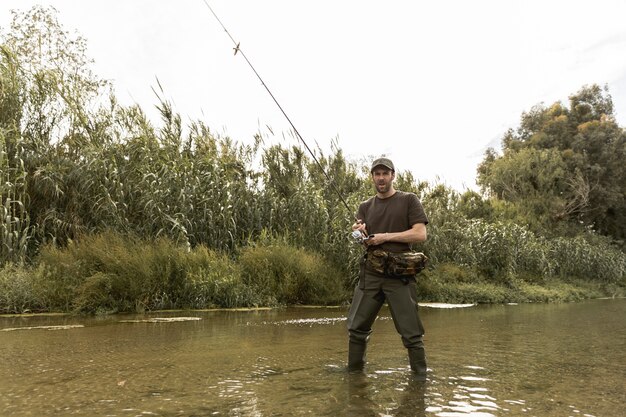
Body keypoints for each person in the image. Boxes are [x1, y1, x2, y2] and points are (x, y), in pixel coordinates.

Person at [347, 157, 429, 380]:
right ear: (372, 177)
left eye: (385, 173)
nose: (381, 178)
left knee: (412, 334)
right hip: (371, 273)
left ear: (393, 175)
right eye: (377, 174)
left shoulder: (409, 200)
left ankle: (420, 381)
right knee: (356, 329)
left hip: (399, 275)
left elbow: (420, 234)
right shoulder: (365, 206)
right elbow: (361, 238)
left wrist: (385, 236)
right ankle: (354, 377)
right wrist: (359, 232)